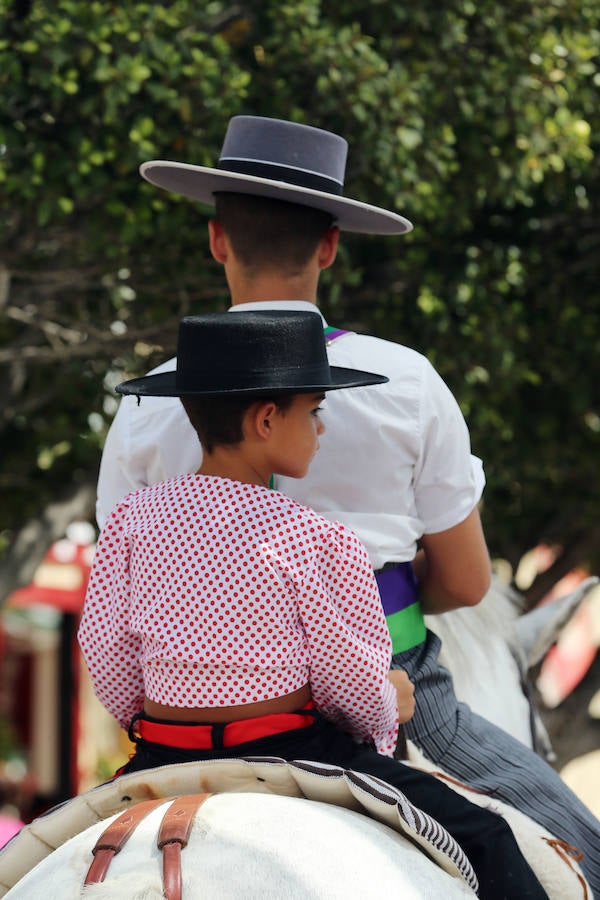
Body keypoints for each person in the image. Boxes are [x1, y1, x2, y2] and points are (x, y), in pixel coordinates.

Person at [96, 115, 600, 894]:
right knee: (576, 853)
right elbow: (466, 586)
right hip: (380, 690)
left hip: (176, 722)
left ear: (217, 239)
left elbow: (111, 624)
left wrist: (153, 710)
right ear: (330, 244)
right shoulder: (406, 383)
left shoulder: (142, 407)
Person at [81, 310, 547, 900]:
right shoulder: (318, 540)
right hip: (291, 752)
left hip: (162, 754)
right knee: (487, 837)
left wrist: (155, 725)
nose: (321, 429)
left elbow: (106, 652)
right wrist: (387, 704)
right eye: (316, 412)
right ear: (268, 419)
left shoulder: (131, 521)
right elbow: (348, 682)